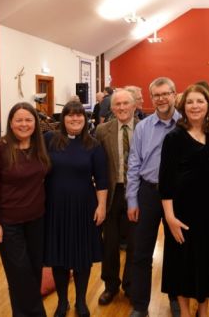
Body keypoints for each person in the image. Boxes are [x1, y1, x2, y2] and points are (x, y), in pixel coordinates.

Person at [159, 84, 209, 317]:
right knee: (183, 263)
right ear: (183, 106)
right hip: (183, 213)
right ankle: (186, 313)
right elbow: (165, 181)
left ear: (208, 104)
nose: (195, 106)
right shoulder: (173, 137)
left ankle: (204, 310)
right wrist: (169, 217)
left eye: (200, 101)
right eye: (190, 102)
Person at [0, 102, 51, 316]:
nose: (24, 124)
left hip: (36, 219)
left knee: (33, 271)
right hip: (9, 223)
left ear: (36, 123)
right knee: (19, 274)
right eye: (19, 120)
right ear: (10, 123)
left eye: (28, 120)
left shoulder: (40, 146)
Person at [44, 100, 108, 317]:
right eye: (70, 115)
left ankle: (81, 300)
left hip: (84, 207)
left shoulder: (93, 145)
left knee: (82, 257)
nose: (75, 119)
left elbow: (102, 179)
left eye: (79, 115)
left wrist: (101, 206)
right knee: (58, 256)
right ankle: (63, 302)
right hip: (55, 207)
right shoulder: (50, 140)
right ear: (63, 118)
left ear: (85, 118)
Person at [126, 77, 181, 317]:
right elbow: (133, 164)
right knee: (141, 252)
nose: (161, 99)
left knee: (178, 250)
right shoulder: (142, 127)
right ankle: (140, 305)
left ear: (174, 95)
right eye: (156, 95)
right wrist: (132, 199)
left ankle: (177, 299)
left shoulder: (186, 125)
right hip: (148, 193)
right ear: (151, 98)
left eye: (165, 94)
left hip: (179, 195)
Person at [95, 89, 138, 306]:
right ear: (112, 108)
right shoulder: (102, 131)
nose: (121, 108)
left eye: (125, 104)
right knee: (109, 244)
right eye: (117, 104)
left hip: (137, 194)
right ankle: (110, 285)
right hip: (112, 193)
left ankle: (130, 285)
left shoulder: (145, 128)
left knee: (134, 242)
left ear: (134, 106)